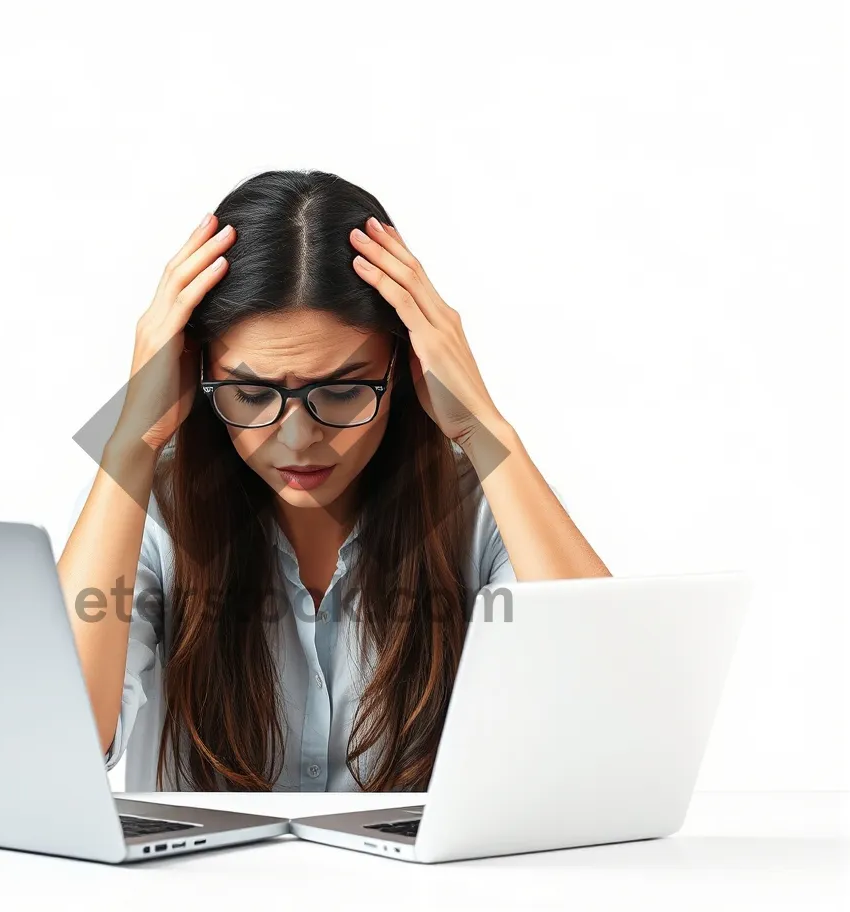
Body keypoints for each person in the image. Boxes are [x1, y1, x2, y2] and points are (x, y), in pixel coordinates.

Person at [57, 169, 610, 793]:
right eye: (251, 392)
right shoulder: (147, 509)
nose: (297, 438)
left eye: (344, 390)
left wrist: (486, 427)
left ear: (405, 369)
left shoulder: (485, 503)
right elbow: (57, 741)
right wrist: (131, 444)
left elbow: (605, 707)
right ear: (195, 373)